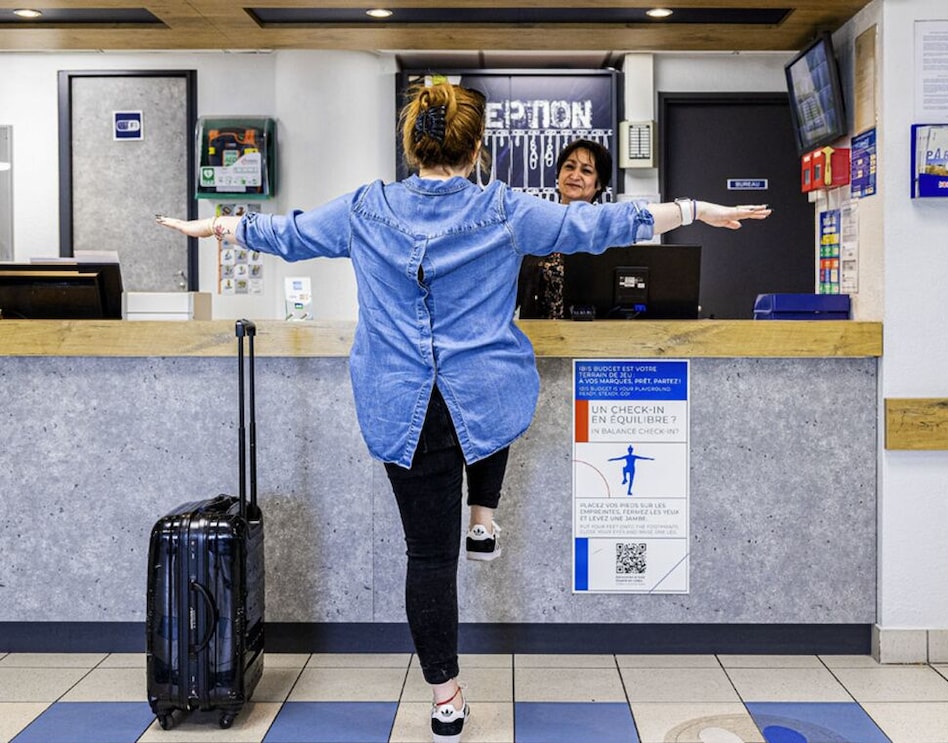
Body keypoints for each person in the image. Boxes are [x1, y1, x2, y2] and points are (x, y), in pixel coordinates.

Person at [156, 80, 769, 743]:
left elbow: (288, 233)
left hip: (400, 404)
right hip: (482, 392)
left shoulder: (365, 208)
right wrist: (695, 208)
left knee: (427, 557)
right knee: (499, 396)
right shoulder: (505, 208)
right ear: (477, 150)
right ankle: (483, 514)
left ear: (411, 146)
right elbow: (598, 225)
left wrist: (214, 224)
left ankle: (445, 698)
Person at [517, 138, 613, 319]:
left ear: (599, 184)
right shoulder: (536, 226)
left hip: (593, 334)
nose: (575, 176)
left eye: (586, 171)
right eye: (569, 167)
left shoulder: (607, 232)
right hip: (537, 333)